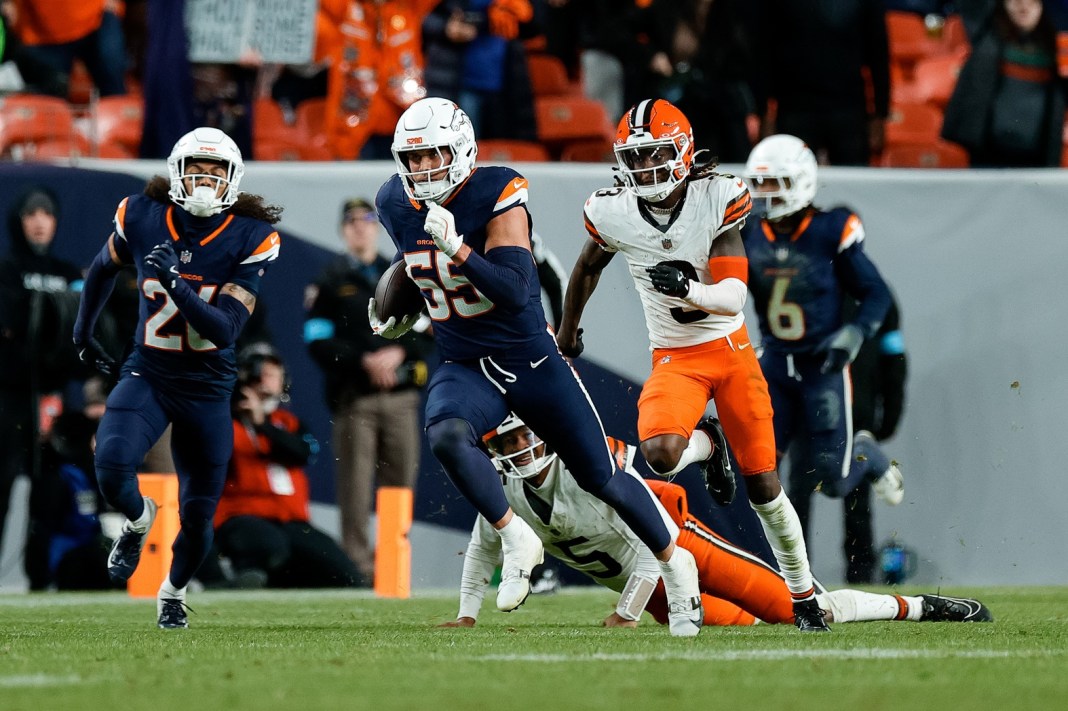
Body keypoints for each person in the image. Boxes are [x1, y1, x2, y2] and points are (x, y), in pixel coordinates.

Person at [370, 96, 704, 637]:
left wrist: (457, 249)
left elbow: (515, 289)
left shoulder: (498, 193)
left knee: (603, 477)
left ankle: (674, 562)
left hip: (528, 359)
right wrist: (397, 304)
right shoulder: (392, 200)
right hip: (464, 361)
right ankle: (513, 533)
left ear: (459, 152)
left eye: (433, 156)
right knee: (448, 435)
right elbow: (410, 258)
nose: (421, 170)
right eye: (412, 159)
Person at [557, 99, 828, 632]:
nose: (645, 169)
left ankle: (804, 596)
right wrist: (568, 329)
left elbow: (734, 295)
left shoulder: (716, 197)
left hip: (730, 353)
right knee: (658, 455)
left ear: (682, 152)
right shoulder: (614, 212)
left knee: (765, 489)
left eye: (656, 154)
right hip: (675, 358)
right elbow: (587, 266)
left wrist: (690, 290)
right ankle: (709, 444)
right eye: (635, 158)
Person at [439, 415, 993, 628]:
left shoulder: (587, 467)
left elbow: (646, 550)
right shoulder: (505, 488)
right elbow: (484, 546)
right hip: (646, 586)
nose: (518, 448)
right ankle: (704, 446)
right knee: (755, 628)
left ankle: (918, 607)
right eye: (504, 441)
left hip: (673, 549)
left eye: (522, 435)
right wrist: (467, 618)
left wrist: (625, 614)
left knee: (804, 611)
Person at [72, 126, 283, 629]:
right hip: (150, 369)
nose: (206, 180)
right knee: (111, 467)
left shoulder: (250, 237)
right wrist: (83, 329)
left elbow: (225, 329)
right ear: (176, 174)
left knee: (198, 516)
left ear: (232, 179)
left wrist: (174, 282)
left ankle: (173, 590)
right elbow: (102, 268)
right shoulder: (142, 215)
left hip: (207, 386)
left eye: (216, 171)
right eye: (198, 169)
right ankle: (140, 518)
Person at [740, 134, 903, 565]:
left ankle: (868, 455)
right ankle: (788, 574)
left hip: (822, 366)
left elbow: (876, 294)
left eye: (775, 183)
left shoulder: (831, 229)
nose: (765, 194)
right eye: (760, 184)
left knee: (833, 479)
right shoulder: (748, 229)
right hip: (775, 363)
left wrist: (853, 335)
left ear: (801, 182)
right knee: (761, 471)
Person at [304, 197, 434, 582]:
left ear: (376, 227)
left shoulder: (401, 274)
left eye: (366, 220)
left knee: (401, 484)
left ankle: (394, 566)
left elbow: (428, 328)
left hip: (399, 397)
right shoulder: (329, 281)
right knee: (355, 489)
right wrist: (365, 360)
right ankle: (357, 568)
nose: (359, 227)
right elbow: (316, 340)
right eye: (352, 221)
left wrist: (397, 351)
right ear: (343, 229)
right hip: (355, 398)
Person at [212, 343, 364, 588]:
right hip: (240, 515)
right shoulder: (224, 422)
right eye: (267, 373)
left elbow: (303, 453)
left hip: (290, 520)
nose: (273, 381)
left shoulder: (288, 422)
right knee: (268, 546)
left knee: (343, 573)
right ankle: (241, 579)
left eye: (277, 374)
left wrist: (263, 424)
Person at [0, 186, 83, 576]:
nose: (39, 221)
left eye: (46, 213)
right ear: (19, 221)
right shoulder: (6, 268)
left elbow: (86, 336)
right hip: (9, 400)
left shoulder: (68, 273)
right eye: (31, 213)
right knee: (2, 485)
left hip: (53, 401)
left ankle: (41, 575)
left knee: (49, 491)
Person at [751, 0, 890, 165]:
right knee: (792, 182)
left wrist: (880, 114)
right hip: (796, 106)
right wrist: (763, 112)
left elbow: (879, 52)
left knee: (855, 184)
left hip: (848, 109)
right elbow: (763, 51)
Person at [942, 0, 1068, 167]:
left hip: (1035, 155)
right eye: (1016, 1)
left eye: (1032, 2)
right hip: (988, 153)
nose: (1024, 7)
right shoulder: (987, 35)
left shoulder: (1051, 46)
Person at [842, 291, 909, 583]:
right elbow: (895, 358)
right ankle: (860, 573)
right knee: (857, 499)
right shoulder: (878, 294)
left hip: (817, 409)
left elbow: (894, 357)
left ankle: (791, 575)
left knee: (797, 491)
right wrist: (889, 416)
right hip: (859, 412)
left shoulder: (813, 281)